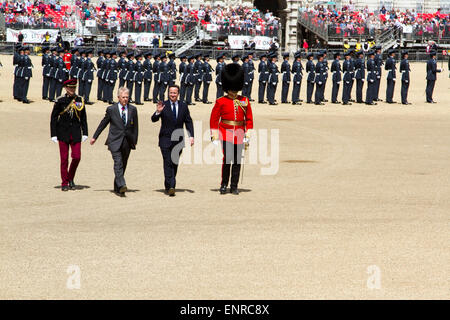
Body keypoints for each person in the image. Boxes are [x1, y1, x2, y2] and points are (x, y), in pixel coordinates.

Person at [210, 63, 253, 195]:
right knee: (227, 159)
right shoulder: (221, 101)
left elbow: (249, 119)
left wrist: (248, 133)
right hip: (225, 132)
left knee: (237, 160)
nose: (233, 92)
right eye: (231, 89)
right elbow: (214, 119)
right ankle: (224, 184)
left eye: (235, 89)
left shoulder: (244, 100)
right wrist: (215, 135)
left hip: (239, 133)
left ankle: (234, 185)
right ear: (228, 88)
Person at [91, 87, 139, 196]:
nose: (125, 99)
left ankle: (117, 186)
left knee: (124, 163)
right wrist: (95, 137)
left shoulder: (133, 109)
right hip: (114, 140)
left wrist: (135, 139)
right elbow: (103, 123)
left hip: (127, 141)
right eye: (123, 97)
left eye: (127, 97)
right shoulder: (111, 109)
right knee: (118, 162)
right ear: (118, 97)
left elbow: (135, 126)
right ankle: (122, 185)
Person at [151, 85, 194, 196]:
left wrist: (191, 136)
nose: (172, 95)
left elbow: (188, 121)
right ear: (168, 93)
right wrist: (158, 112)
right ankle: (171, 186)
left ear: (178, 94)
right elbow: (153, 119)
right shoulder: (163, 105)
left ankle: (168, 183)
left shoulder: (183, 106)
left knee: (174, 162)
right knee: (167, 162)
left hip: (178, 140)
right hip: (165, 139)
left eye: (174, 93)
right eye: (170, 92)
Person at [50, 79, 88, 191]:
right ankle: (64, 182)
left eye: (74, 88)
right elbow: (53, 118)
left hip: (76, 133)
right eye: (70, 88)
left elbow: (83, 118)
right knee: (64, 159)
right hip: (63, 133)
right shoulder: (60, 100)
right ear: (66, 88)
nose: (72, 90)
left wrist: (85, 132)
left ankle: (70, 177)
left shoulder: (79, 99)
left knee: (77, 157)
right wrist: (53, 134)